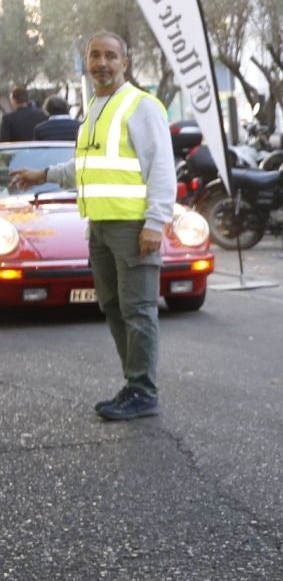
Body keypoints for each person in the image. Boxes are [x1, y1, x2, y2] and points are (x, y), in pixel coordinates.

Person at [6, 34, 174, 419]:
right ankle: (133, 384)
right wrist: (44, 173)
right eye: (95, 55)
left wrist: (155, 223)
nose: (102, 62)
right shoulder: (96, 108)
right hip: (98, 225)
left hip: (132, 226)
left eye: (111, 56)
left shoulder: (141, 106)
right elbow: (85, 167)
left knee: (138, 310)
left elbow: (162, 167)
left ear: (125, 63)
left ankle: (144, 392)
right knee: (113, 307)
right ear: (85, 62)